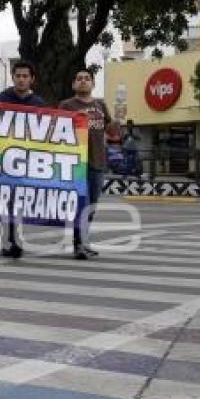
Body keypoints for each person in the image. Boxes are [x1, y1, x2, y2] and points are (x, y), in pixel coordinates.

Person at [0, 60, 45, 258]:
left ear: (32, 79)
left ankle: (18, 238)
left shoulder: (39, 103)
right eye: (18, 76)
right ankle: (7, 240)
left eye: (25, 76)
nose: (21, 79)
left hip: (28, 162)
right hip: (4, 160)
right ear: (12, 77)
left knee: (21, 202)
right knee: (6, 202)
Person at [59, 68, 113, 260]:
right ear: (74, 84)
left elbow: (112, 132)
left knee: (92, 205)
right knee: (80, 205)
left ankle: (84, 241)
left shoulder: (101, 105)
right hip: (75, 164)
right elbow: (56, 132)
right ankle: (79, 244)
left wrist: (117, 123)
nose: (83, 81)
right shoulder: (66, 105)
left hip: (98, 162)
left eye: (87, 79)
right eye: (79, 78)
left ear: (93, 83)